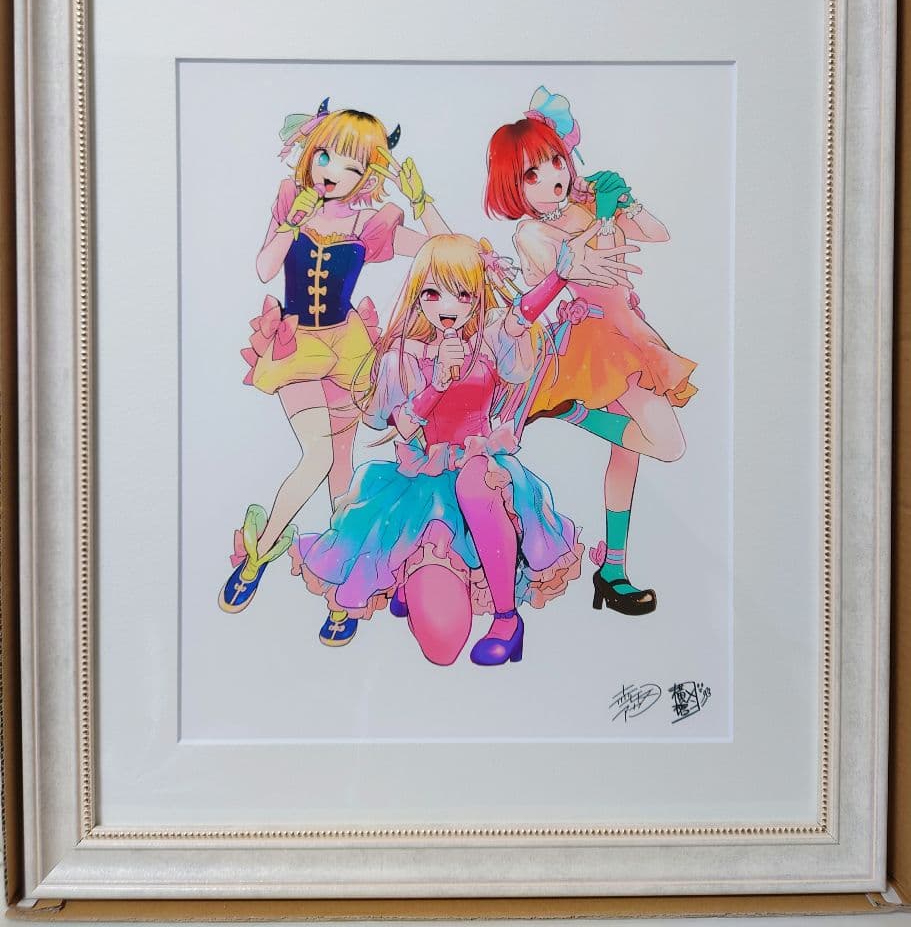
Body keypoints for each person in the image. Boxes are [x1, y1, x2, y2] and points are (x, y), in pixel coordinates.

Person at [291, 231, 635, 664]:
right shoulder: (401, 357)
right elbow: (400, 425)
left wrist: (559, 278)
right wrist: (437, 382)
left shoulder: (487, 338)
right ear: (418, 296)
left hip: (479, 466)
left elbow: (519, 317)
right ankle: (409, 577)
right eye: (433, 293)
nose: (447, 305)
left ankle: (507, 620)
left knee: (475, 485)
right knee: (441, 643)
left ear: (476, 296)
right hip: (422, 485)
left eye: (462, 293)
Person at [219, 100, 449, 615]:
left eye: (351, 164)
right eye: (325, 156)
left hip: (348, 348)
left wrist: (420, 198)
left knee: (341, 467)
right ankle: (257, 558)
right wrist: (290, 224)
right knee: (317, 456)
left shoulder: (370, 225)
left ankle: (342, 589)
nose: (331, 172)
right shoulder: (292, 204)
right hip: (296, 345)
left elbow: (443, 247)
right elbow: (264, 269)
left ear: (368, 175)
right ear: (309, 153)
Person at [485, 87, 697, 616]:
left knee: (629, 453)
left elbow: (658, 234)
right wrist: (600, 223)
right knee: (668, 443)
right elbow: (574, 268)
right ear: (513, 186)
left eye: (555, 160)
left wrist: (626, 201)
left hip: (632, 332)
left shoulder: (583, 205)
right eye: (531, 174)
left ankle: (613, 571)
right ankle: (572, 410)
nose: (551, 177)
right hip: (592, 343)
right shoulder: (531, 232)